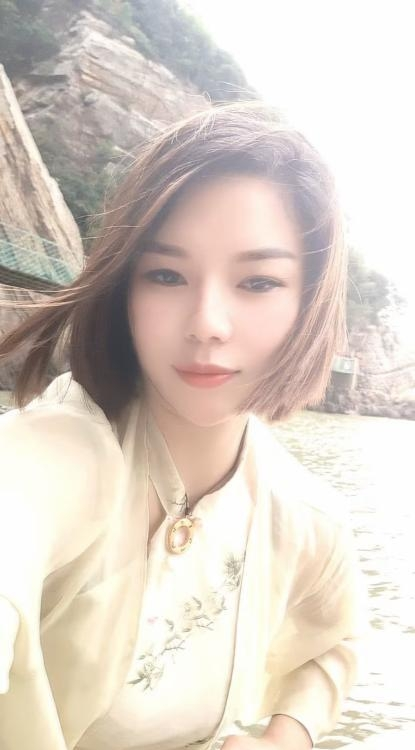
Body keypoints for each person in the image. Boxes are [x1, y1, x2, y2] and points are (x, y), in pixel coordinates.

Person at [0, 103, 366, 750]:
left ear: (309, 303)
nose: (206, 324)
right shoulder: (55, 453)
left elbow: (334, 643)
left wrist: (288, 736)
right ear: (124, 290)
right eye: (165, 275)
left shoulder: (302, 514)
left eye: (258, 282)